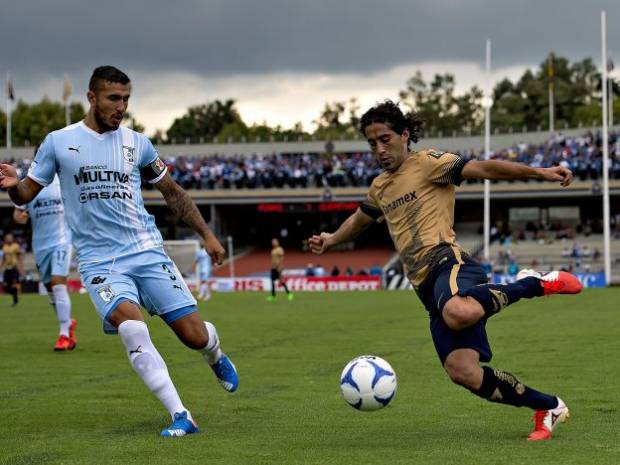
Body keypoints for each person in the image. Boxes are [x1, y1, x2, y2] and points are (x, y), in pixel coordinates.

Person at [308, 101, 582, 442]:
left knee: (458, 310)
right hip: (426, 288)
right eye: (372, 143)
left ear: (405, 135)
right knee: (463, 372)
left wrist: (539, 173)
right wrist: (331, 239)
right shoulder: (380, 187)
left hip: (448, 262)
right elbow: (360, 219)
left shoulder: (429, 163)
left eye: (385, 138)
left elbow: (485, 169)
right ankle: (549, 407)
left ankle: (532, 283)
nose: (379, 149)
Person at [0, 66, 238, 438]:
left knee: (194, 336)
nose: (121, 106)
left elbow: (172, 192)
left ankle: (215, 354)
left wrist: (207, 234)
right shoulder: (59, 142)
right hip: (99, 262)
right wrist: (14, 187)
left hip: (146, 251)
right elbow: (27, 192)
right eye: (114, 98)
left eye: (126, 99)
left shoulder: (138, 143)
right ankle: (182, 415)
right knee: (131, 327)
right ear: (91, 97)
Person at [13, 175, 77, 350]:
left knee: (58, 283)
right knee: (50, 289)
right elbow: (18, 213)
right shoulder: (28, 184)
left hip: (62, 241)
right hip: (40, 245)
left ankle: (64, 333)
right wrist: (21, 217)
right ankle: (68, 323)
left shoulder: (65, 180)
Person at [1, 233, 23, 306]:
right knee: (4, 285)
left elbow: (19, 257)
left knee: (14, 284)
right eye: (7, 238)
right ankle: (16, 294)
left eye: (10, 237)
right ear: (5, 239)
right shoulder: (4, 247)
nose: (9, 239)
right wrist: (1, 267)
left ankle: (15, 300)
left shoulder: (16, 246)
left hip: (14, 267)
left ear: (12, 238)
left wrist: (21, 268)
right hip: (7, 268)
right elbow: (4, 259)